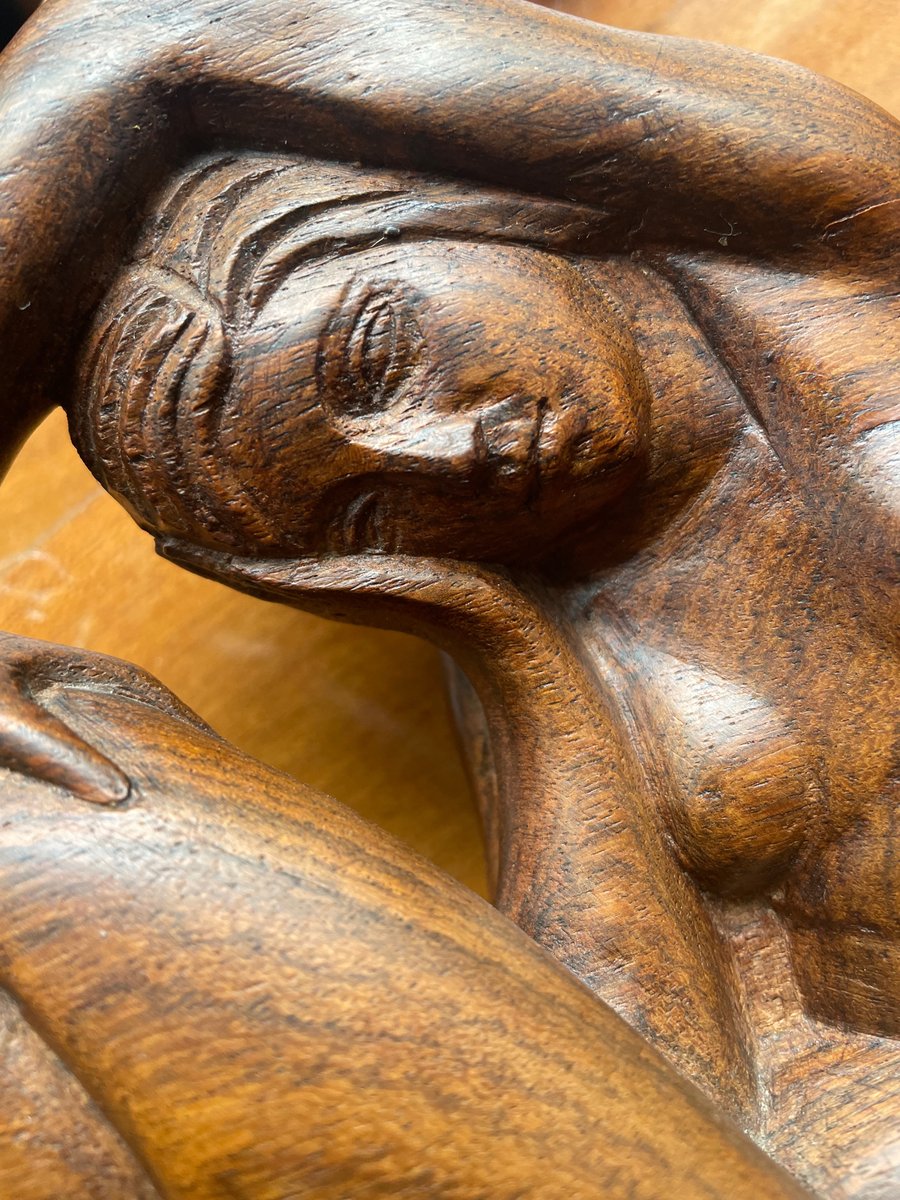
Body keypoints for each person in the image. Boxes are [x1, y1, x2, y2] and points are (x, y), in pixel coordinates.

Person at [0, 0, 896, 1194]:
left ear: (411, 212)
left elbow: (140, 31)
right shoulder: (569, 663)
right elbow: (653, 1100)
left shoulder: (821, 254)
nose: (443, 453)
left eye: (376, 358)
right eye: (368, 517)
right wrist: (510, 644)